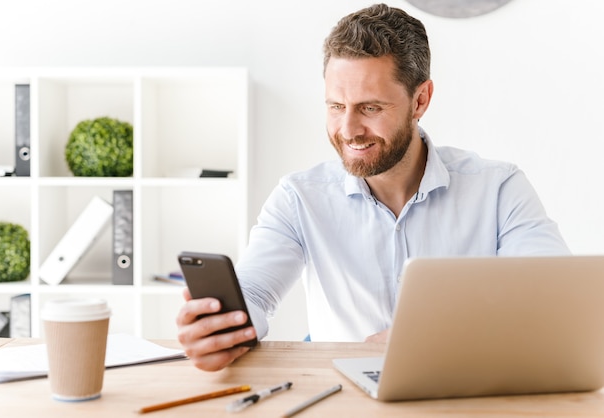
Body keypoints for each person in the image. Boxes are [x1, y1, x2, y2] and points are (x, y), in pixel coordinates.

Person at [176, 3, 570, 371]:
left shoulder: (498, 188)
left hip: (463, 389)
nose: (348, 130)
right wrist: (222, 329)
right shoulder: (300, 198)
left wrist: (430, 337)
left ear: (420, 100)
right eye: (336, 106)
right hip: (344, 396)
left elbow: (553, 298)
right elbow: (255, 293)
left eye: (370, 108)